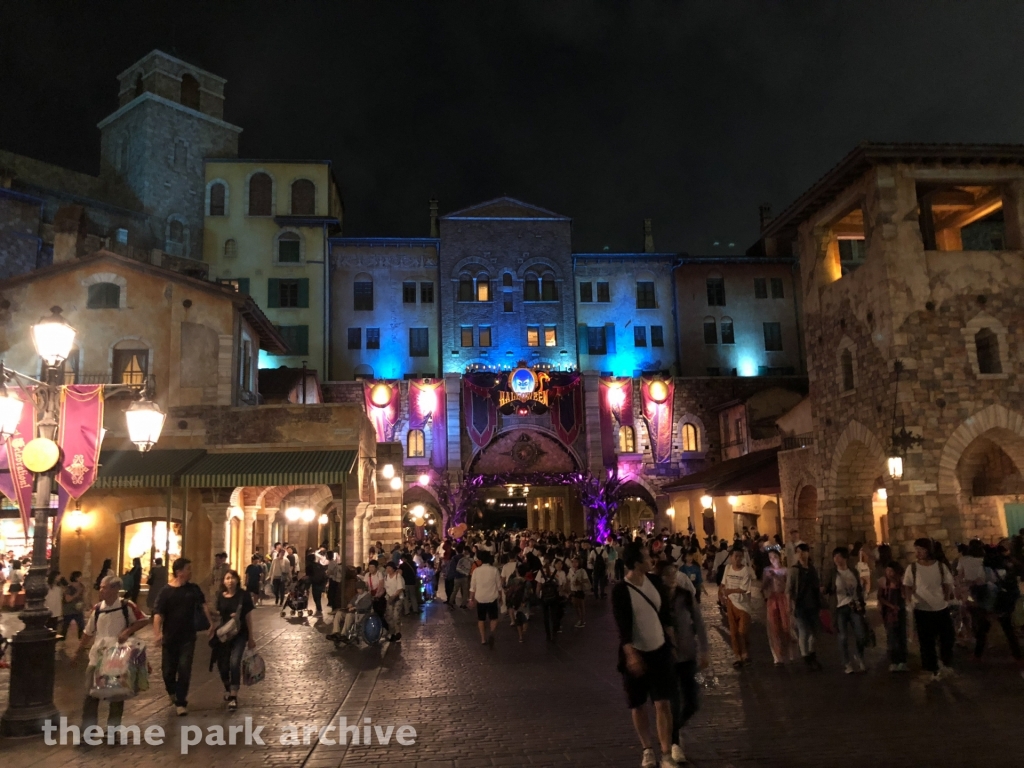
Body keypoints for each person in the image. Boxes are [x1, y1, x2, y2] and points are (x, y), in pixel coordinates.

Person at [612, 543, 676, 768]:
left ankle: (666, 753)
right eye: (647, 556)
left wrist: (673, 641)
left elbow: (665, 614)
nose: (652, 559)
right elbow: (622, 627)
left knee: (663, 703)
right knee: (638, 704)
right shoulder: (621, 589)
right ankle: (647, 749)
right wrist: (631, 654)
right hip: (636, 654)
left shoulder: (656, 582)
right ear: (637, 562)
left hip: (660, 650)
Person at [77, 575, 148, 735]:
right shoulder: (97, 609)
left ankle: (113, 729)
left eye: (104, 587)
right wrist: (79, 650)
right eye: (101, 587)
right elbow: (88, 632)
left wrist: (127, 631)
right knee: (90, 693)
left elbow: (143, 620)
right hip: (97, 655)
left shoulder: (126, 605)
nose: (101, 590)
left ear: (115, 589)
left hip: (117, 656)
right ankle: (88, 729)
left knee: (116, 693)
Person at [658, 558, 708, 766]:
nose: (672, 578)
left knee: (693, 701)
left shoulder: (685, 596)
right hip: (668, 657)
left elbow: (698, 621)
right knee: (674, 701)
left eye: (673, 574)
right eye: (667, 575)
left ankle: (672, 733)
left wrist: (704, 649)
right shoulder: (657, 599)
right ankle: (674, 744)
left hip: (688, 655)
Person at [152, 557, 206, 715]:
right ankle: (172, 692)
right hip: (170, 637)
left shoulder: (193, 589)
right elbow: (158, 614)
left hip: (188, 637)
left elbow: (203, 606)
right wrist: (157, 633)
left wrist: (211, 624)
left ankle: (181, 701)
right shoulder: (166, 592)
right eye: (188, 568)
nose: (191, 571)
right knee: (167, 671)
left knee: (184, 669)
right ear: (179, 571)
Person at [903, 538, 955, 681]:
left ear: (929, 550)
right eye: (916, 550)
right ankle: (932, 668)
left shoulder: (940, 566)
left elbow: (947, 583)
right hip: (922, 609)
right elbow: (907, 585)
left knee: (947, 638)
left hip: (941, 607)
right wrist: (909, 601)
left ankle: (945, 662)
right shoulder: (912, 568)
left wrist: (946, 598)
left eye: (921, 549)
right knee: (927, 641)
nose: (918, 553)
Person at [209, 569, 255, 710]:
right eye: (227, 578)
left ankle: (234, 695)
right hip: (224, 635)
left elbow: (248, 617)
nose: (230, 581)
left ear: (237, 580)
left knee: (234, 662)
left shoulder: (243, 595)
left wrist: (251, 637)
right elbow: (218, 615)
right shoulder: (220, 596)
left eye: (232, 578)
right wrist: (212, 625)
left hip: (240, 634)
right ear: (223, 581)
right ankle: (228, 687)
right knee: (223, 665)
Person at [824, 547, 867, 674]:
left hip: (854, 606)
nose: (836, 559)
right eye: (835, 557)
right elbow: (826, 588)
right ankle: (846, 663)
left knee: (860, 634)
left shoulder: (853, 571)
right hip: (839, 608)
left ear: (845, 558)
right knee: (842, 636)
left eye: (839, 556)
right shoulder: (832, 573)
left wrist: (862, 603)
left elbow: (858, 589)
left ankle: (859, 656)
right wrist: (822, 589)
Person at [786, 543, 822, 669]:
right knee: (803, 631)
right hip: (800, 605)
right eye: (798, 552)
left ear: (808, 553)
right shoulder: (794, 570)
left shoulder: (813, 568)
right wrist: (789, 606)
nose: (801, 555)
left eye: (803, 552)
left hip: (813, 604)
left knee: (815, 632)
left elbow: (817, 585)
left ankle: (811, 653)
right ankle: (806, 656)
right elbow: (789, 589)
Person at [720, 546, 755, 668]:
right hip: (731, 603)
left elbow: (744, 588)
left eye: (740, 556)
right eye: (736, 556)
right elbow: (723, 583)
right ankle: (739, 656)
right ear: (731, 558)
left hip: (743, 605)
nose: (738, 559)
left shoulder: (745, 571)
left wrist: (730, 591)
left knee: (742, 631)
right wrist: (722, 595)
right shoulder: (728, 568)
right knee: (733, 631)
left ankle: (745, 651)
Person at [761, 548, 794, 665]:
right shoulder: (767, 570)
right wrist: (767, 580)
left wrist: (776, 576)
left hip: (783, 598)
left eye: (774, 556)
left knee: (786, 626)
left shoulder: (785, 570)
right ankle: (777, 655)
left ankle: (789, 651)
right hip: (772, 599)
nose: (773, 559)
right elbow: (763, 586)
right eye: (770, 558)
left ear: (779, 557)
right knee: (773, 627)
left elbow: (787, 586)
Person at [877, 562, 909, 672]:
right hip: (889, 612)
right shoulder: (883, 582)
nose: (889, 573)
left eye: (891, 571)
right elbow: (880, 597)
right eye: (887, 571)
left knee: (901, 635)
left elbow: (906, 596)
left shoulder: (902, 582)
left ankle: (902, 661)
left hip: (901, 611)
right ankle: (894, 661)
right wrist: (890, 606)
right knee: (891, 636)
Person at [469, 550, 503, 645]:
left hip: (480, 598)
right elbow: (499, 586)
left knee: (481, 619)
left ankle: (483, 639)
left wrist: (471, 599)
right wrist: (501, 596)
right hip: (492, 597)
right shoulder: (494, 570)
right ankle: (492, 633)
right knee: (494, 618)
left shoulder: (476, 571)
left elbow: (472, 587)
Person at [505, 563, 530, 642]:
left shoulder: (513, 581)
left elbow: (509, 591)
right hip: (524, 603)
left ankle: (520, 637)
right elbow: (528, 593)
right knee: (525, 619)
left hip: (515, 603)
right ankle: (524, 630)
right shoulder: (527, 582)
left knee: (518, 620)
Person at [383, 561, 404, 642]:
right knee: (389, 616)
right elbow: (385, 588)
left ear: (393, 568)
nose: (388, 569)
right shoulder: (386, 577)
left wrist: (394, 596)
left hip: (398, 598)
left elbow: (400, 588)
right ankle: (392, 632)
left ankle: (397, 632)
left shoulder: (398, 576)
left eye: (389, 568)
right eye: (387, 568)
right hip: (389, 598)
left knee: (396, 615)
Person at [62, 570, 86, 639]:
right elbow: (67, 599)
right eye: (80, 576)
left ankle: (81, 640)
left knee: (81, 625)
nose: (82, 577)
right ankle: (61, 640)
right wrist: (77, 593)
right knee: (65, 626)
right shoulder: (70, 588)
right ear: (76, 578)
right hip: (69, 610)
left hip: (78, 609)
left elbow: (82, 597)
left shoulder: (81, 586)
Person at [569, 556, 591, 628]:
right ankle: (579, 618)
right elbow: (568, 579)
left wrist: (580, 582)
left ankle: (582, 620)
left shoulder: (582, 571)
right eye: (573, 562)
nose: (574, 564)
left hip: (580, 590)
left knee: (581, 605)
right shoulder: (571, 570)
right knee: (575, 604)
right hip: (573, 589)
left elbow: (586, 580)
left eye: (576, 562)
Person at [306, 552, 327, 617]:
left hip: (315, 583)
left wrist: (307, 587)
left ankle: (319, 609)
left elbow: (308, 576)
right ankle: (319, 608)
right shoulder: (319, 565)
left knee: (316, 597)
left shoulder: (309, 566)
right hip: (321, 582)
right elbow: (324, 574)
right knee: (318, 596)